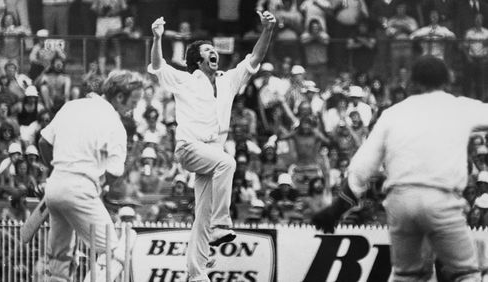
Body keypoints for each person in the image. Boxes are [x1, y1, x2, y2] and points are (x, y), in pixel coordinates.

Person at [312, 55, 485, 281]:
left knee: (407, 275)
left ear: (412, 83)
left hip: (401, 201)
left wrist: (336, 209)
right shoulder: (460, 107)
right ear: (447, 80)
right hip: (441, 199)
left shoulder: (393, 114)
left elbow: (362, 165)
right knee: (465, 273)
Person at [148, 10, 276, 282]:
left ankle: (196, 273)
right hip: (189, 148)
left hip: (210, 154)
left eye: (213, 49)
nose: (213, 51)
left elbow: (255, 58)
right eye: (207, 50)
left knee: (202, 215)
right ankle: (222, 224)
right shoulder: (185, 79)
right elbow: (158, 66)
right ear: (197, 60)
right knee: (228, 162)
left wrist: (267, 30)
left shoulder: (227, 80)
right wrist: (157, 38)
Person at [38, 70, 143, 282]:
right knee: (116, 252)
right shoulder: (115, 125)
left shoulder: (71, 106)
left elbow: (43, 143)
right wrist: (100, 187)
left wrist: (59, 172)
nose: (134, 107)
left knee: (59, 261)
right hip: (81, 190)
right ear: (120, 97)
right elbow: (114, 172)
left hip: (54, 188)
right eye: (134, 101)